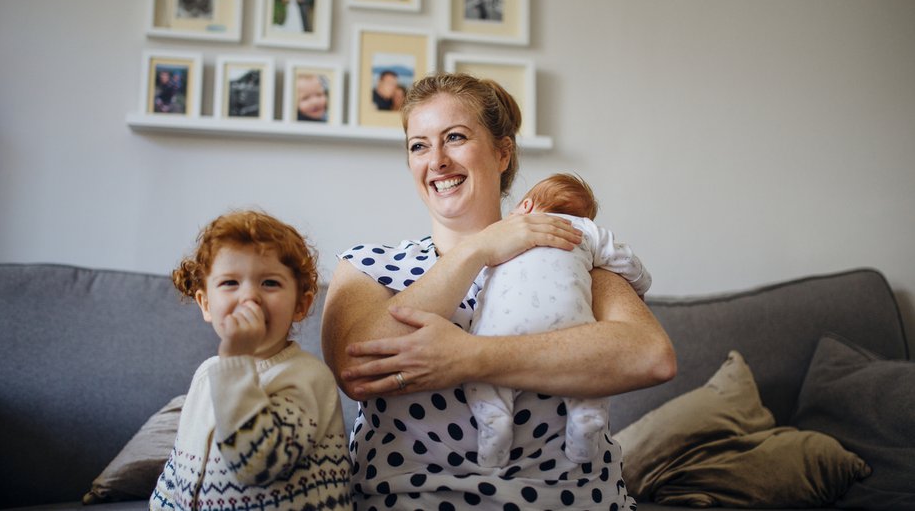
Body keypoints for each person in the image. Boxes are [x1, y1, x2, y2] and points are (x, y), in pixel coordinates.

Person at [322, 72, 676, 509]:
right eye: (418, 145)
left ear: (502, 152)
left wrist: (468, 358)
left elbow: (650, 355)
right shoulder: (368, 265)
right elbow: (357, 368)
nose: (436, 160)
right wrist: (478, 248)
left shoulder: (563, 246)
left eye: (454, 137)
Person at [150, 210, 351, 511]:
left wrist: (236, 359)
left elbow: (257, 463)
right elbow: (180, 468)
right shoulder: (208, 375)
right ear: (205, 304)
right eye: (230, 283)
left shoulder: (308, 377)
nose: (249, 298)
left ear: (301, 305)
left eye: (269, 283)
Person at [467, 172, 651, 468]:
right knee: (588, 366)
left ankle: (495, 424)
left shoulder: (502, 233)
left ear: (525, 207)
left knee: (480, 374)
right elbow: (626, 260)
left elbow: (474, 276)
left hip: (501, 328)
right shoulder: (586, 231)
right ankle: (586, 418)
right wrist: (640, 287)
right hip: (568, 325)